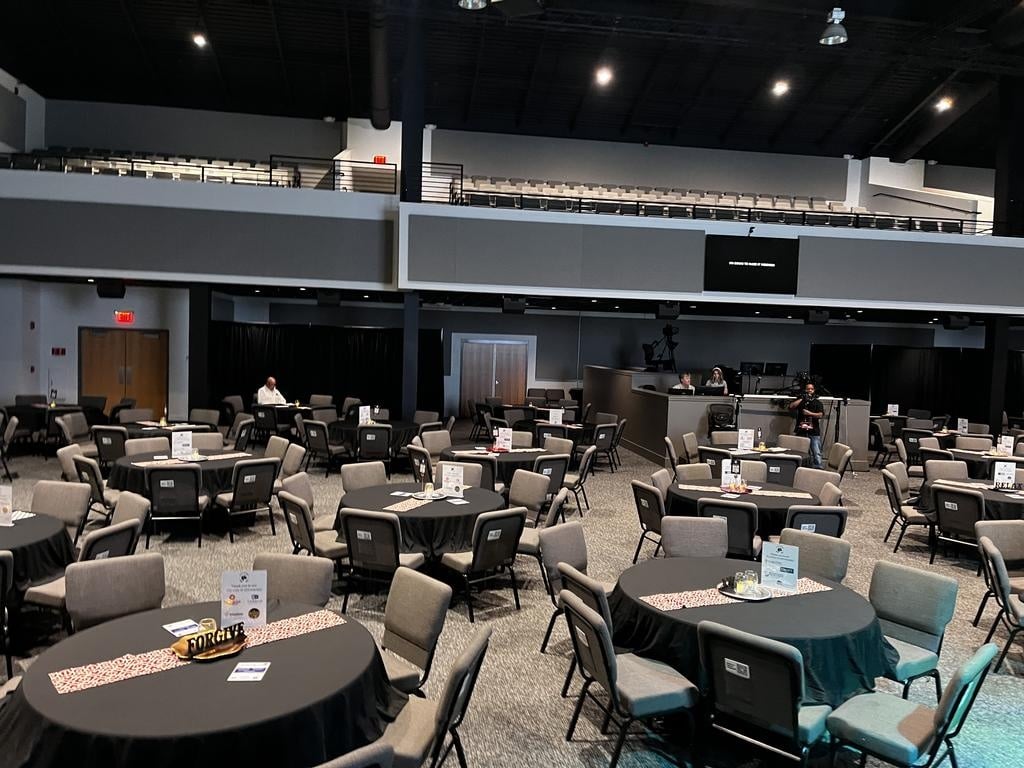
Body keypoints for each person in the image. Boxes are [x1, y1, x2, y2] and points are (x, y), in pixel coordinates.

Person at [788, 381, 824, 468]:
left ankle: (818, 468)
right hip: (801, 431)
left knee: (816, 452)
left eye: (811, 389)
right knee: (799, 451)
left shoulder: (817, 402)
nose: (810, 390)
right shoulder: (801, 401)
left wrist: (809, 413)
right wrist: (802, 399)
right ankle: (801, 468)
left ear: (814, 390)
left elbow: (820, 415)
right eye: (808, 389)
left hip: (814, 431)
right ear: (805, 390)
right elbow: (791, 406)